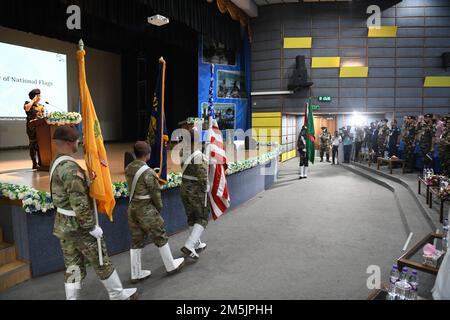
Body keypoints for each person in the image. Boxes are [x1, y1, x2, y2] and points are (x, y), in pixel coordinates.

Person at [49, 126, 137, 300]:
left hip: (63, 224)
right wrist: (90, 227)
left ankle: (72, 298)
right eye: (76, 141)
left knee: (72, 264)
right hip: (78, 226)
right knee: (100, 259)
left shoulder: (56, 162)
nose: (78, 143)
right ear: (68, 143)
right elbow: (79, 203)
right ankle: (117, 295)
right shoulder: (70, 169)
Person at [125, 141, 185, 283]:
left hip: (132, 208)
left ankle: (136, 273)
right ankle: (170, 265)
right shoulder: (149, 172)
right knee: (160, 235)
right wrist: (158, 209)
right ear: (147, 155)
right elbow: (155, 194)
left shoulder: (128, 168)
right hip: (146, 209)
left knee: (136, 240)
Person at [180, 129, 209, 260]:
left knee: (191, 217)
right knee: (202, 217)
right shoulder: (198, 156)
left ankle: (196, 244)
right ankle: (190, 244)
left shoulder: (183, 152)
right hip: (196, 191)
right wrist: (206, 188)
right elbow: (202, 175)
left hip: (184, 188)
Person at [24, 89, 45, 169]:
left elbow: (43, 116)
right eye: (38, 95)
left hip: (41, 129)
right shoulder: (28, 103)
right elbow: (27, 109)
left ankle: (41, 162)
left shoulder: (41, 106)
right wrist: (33, 100)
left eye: (39, 95)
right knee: (33, 145)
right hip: (32, 129)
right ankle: (34, 163)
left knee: (41, 145)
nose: (40, 97)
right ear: (34, 96)